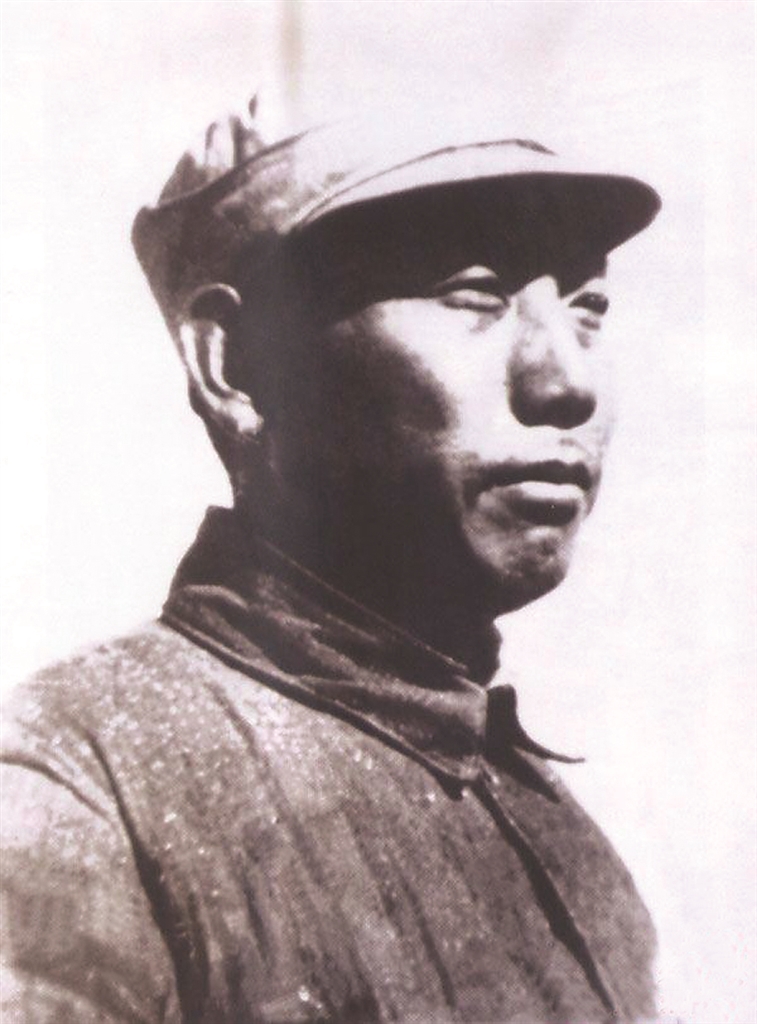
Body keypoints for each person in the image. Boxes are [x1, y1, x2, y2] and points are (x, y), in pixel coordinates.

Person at [1, 99, 661, 1023]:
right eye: (472, 293)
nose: (567, 381)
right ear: (236, 366)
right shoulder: (72, 783)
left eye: (587, 309)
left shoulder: (568, 841)